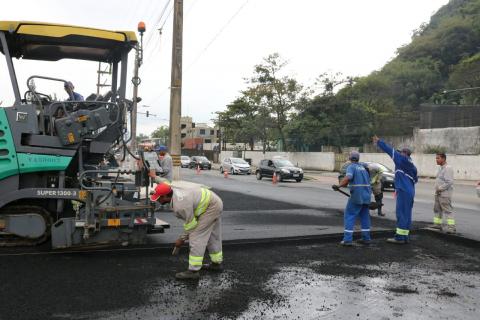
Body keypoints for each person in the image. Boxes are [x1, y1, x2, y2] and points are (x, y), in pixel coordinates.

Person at [149, 178, 224, 280]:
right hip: (212, 201)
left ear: (166, 196)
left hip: (210, 207)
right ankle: (216, 264)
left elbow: (191, 225)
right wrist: (154, 176)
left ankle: (193, 271)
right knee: (212, 235)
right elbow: (164, 182)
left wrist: (181, 239)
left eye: (159, 198)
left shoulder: (180, 205)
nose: (157, 200)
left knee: (196, 237)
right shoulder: (171, 188)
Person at [373, 136, 418, 244]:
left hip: (403, 190)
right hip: (410, 191)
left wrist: (379, 141)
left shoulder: (402, 160)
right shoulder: (413, 166)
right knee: (407, 214)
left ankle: (399, 238)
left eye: (400, 152)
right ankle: (405, 236)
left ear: (404, 153)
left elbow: (389, 150)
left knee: (401, 213)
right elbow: (415, 180)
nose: (398, 154)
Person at [334, 151, 372, 246]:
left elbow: (348, 178)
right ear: (358, 158)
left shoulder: (351, 166)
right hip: (366, 195)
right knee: (365, 216)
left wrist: (339, 186)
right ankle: (366, 238)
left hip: (357, 195)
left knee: (349, 215)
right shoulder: (363, 168)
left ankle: (347, 240)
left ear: (350, 158)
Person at [432, 153, 455, 233]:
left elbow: (449, 182)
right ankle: (437, 225)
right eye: (436, 158)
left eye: (438, 158)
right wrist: (437, 190)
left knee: (447, 210)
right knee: (437, 210)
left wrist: (440, 188)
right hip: (438, 193)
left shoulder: (448, 168)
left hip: (444, 194)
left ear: (443, 159)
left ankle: (451, 228)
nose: (436, 160)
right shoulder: (440, 168)